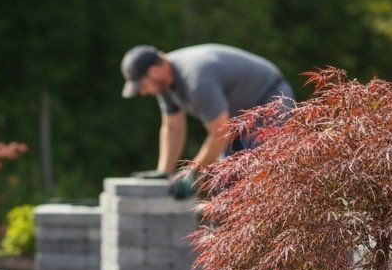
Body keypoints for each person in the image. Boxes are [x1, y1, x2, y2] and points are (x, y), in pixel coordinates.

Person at [121, 43, 294, 198]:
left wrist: (193, 173)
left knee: (259, 177)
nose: (143, 92)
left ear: (154, 70)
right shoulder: (165, 86)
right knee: (226, 181)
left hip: (270, 100)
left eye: (143, 85)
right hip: (237, 120)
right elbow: (173, 127)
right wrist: (164, 172)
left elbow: (220, 131)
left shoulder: (196, 80)